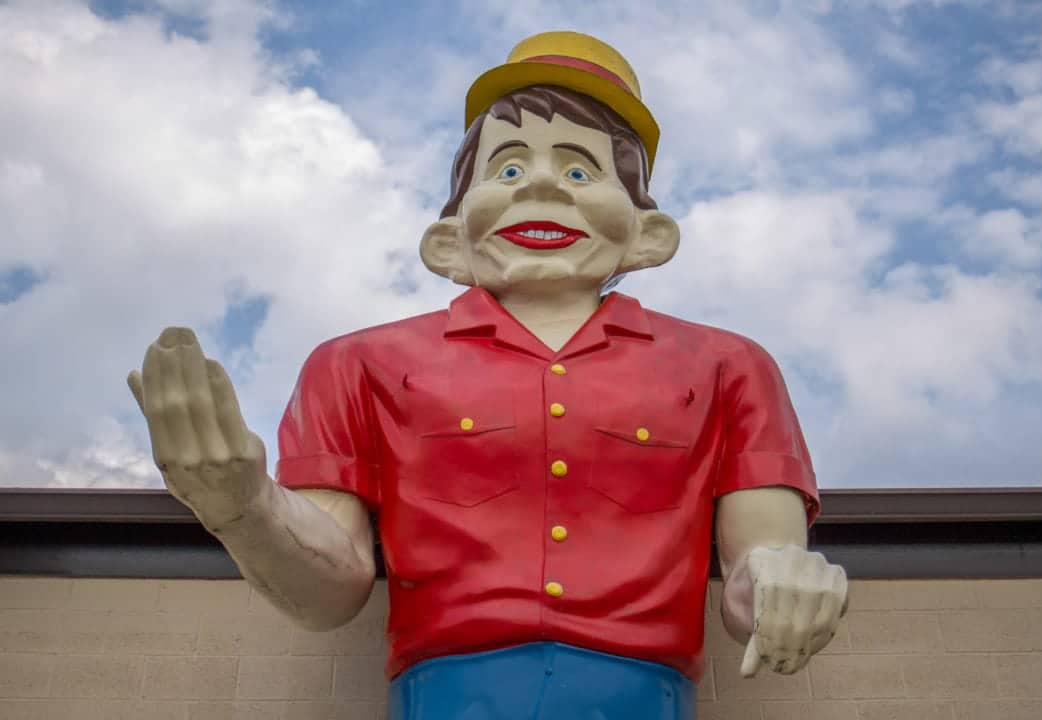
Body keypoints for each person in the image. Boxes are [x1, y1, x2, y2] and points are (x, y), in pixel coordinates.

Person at [129, 31, 847, 720]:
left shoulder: (727, 366)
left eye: (580, 171)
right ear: (450, 239)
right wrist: (244, 506)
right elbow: (329, 592)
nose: (543, 184)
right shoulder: (356, 365)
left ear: (646, 233)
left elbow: (756, 570)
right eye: (506, 170)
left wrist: (785, 579)